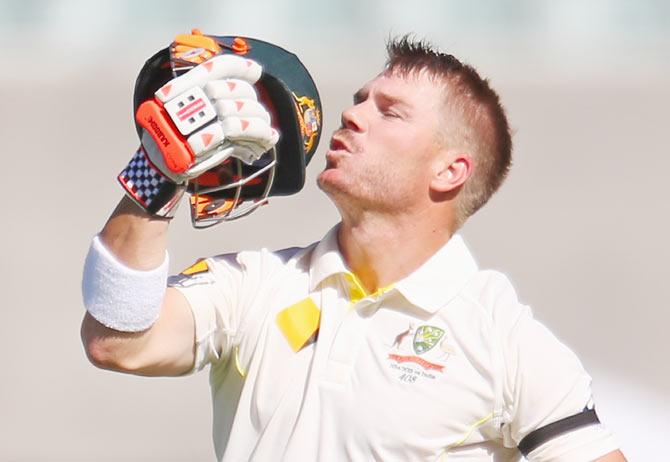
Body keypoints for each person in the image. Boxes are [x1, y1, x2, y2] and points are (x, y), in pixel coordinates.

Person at [81, 36, 626, 461]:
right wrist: (156, 174)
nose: (353, 114)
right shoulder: (257, 282)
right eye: (360, 99)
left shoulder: (505, 339)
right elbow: (116, 341)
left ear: (450, 170)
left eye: (390, 110)